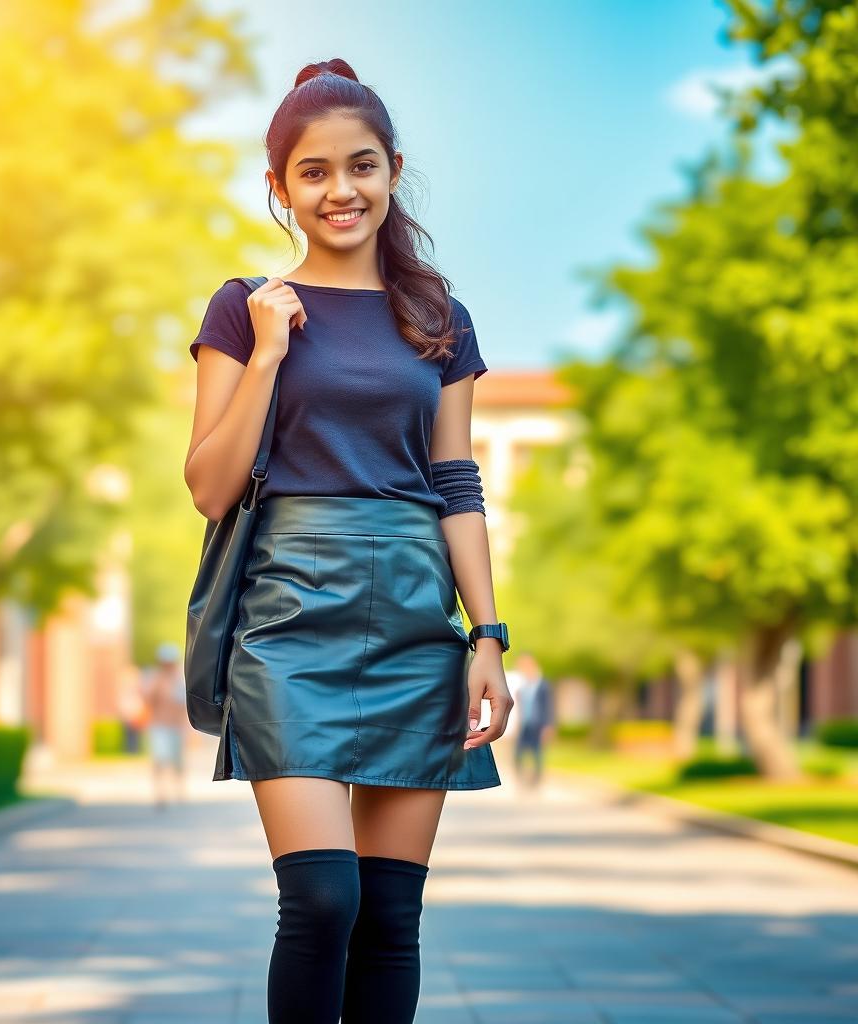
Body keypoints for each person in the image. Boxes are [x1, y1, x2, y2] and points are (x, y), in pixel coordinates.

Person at [184, 58, 514, 1024]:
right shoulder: (244, 310)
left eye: (361, 167)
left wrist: (488, 636)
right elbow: (210, 487)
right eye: (315, 172)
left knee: (391, 919)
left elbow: (456, 484)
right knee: (325, 899)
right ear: (278, 187)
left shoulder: (437, 319)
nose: (342, 190)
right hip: (289, 617)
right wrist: (271, 353)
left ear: (393, 170)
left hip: (416, 617)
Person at [140, 642, 190, 808]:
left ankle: (179, 791)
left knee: (178, 761)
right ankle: (160, 794)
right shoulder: (156, 679)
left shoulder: (180, 680)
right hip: (160, 726)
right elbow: (148, 700)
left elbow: (185, 706)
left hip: (176, 726)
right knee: (160, 760)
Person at [512, 651, 555, 789]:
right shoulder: (522, 685)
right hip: (524, 724)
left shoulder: (543, 685)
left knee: (537, 754)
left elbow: (549, 706)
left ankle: (535, 781)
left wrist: (548, 726)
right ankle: (521, 778)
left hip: (538, 724)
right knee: (518, 753)